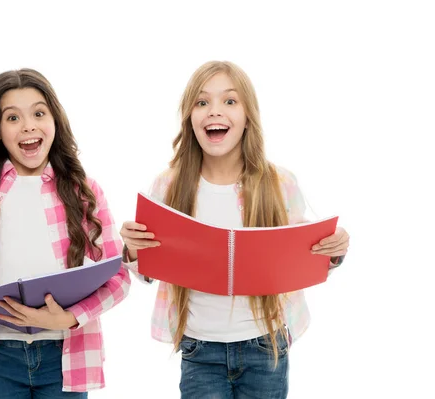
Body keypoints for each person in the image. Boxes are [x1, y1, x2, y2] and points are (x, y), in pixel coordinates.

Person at [119, 60, 349, 399]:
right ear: (189, 117)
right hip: (200, 351)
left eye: (229, 101)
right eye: (202, 102)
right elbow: (148, 269)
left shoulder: (278, 182)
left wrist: (335, 251)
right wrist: (133, 249)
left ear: (247, 117)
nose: (215, 111)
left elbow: (305, 254)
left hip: (265, 347)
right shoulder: (168, 186)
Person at [0, 68, 131, 398]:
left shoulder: (83, 191)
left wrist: (70, 318)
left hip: (64, 355)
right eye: (12, 118)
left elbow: (118, 277)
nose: (28, 125)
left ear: (54, 120)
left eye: (39, 113)